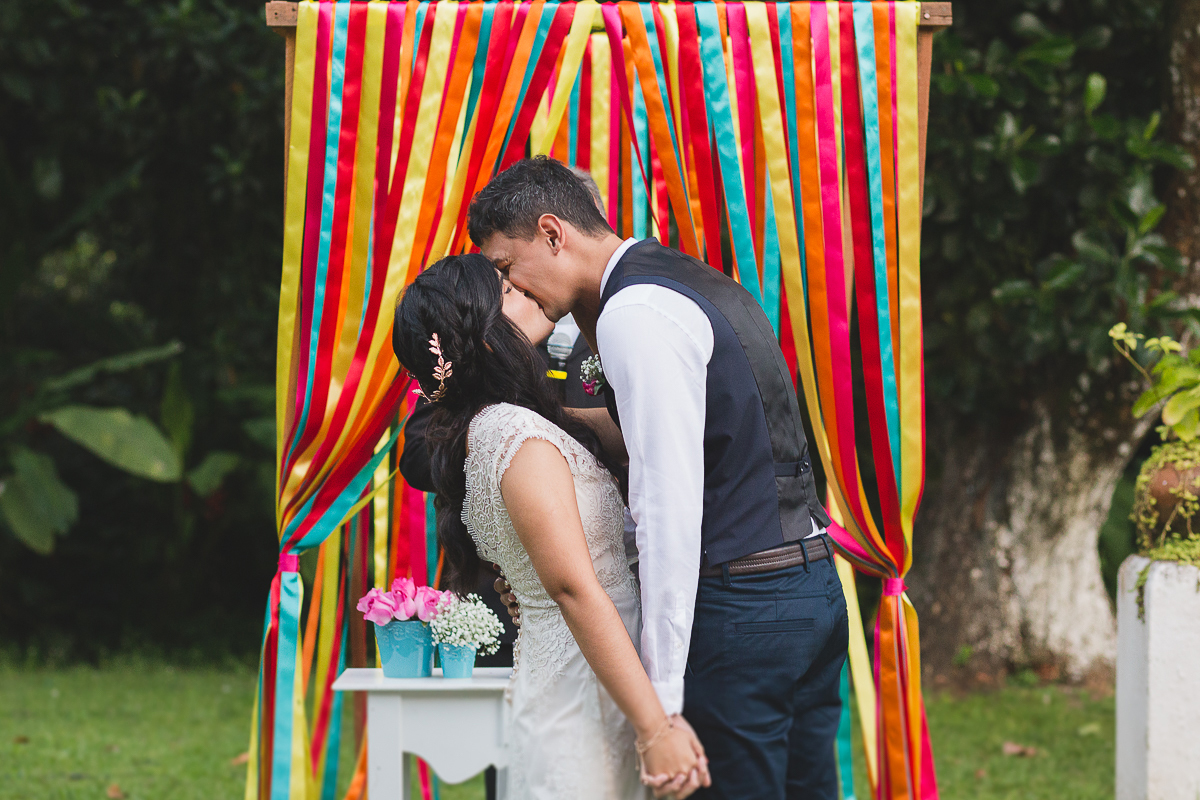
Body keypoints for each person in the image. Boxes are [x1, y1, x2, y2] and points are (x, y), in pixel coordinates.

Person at [468, 156, 849, 800]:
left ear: (552, 232)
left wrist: (661, 706)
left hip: (742, 608)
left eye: (507, 267)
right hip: (809, 588)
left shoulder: (632, 315)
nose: (514, 291)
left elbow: (668, 506)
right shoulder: (688, 279)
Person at [392, 254, 711, 800]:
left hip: (589, 676)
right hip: (578, 685)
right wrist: (656, 727)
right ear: (488, 332)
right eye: (506, 289)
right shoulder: (517, 438)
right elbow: (573, 589)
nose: (523, 286)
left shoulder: (502, 425)